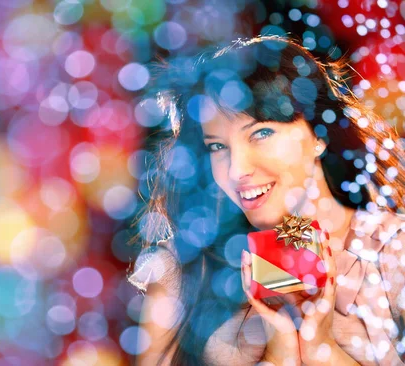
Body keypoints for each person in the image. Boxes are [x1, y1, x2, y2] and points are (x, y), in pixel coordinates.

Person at [128, 35, 405, 365]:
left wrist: (320, 346)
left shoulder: (393, 252)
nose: (237, 169)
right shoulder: (182, 273)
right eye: (217, 146)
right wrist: (280, 348)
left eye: (260, 133)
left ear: (318, 133)